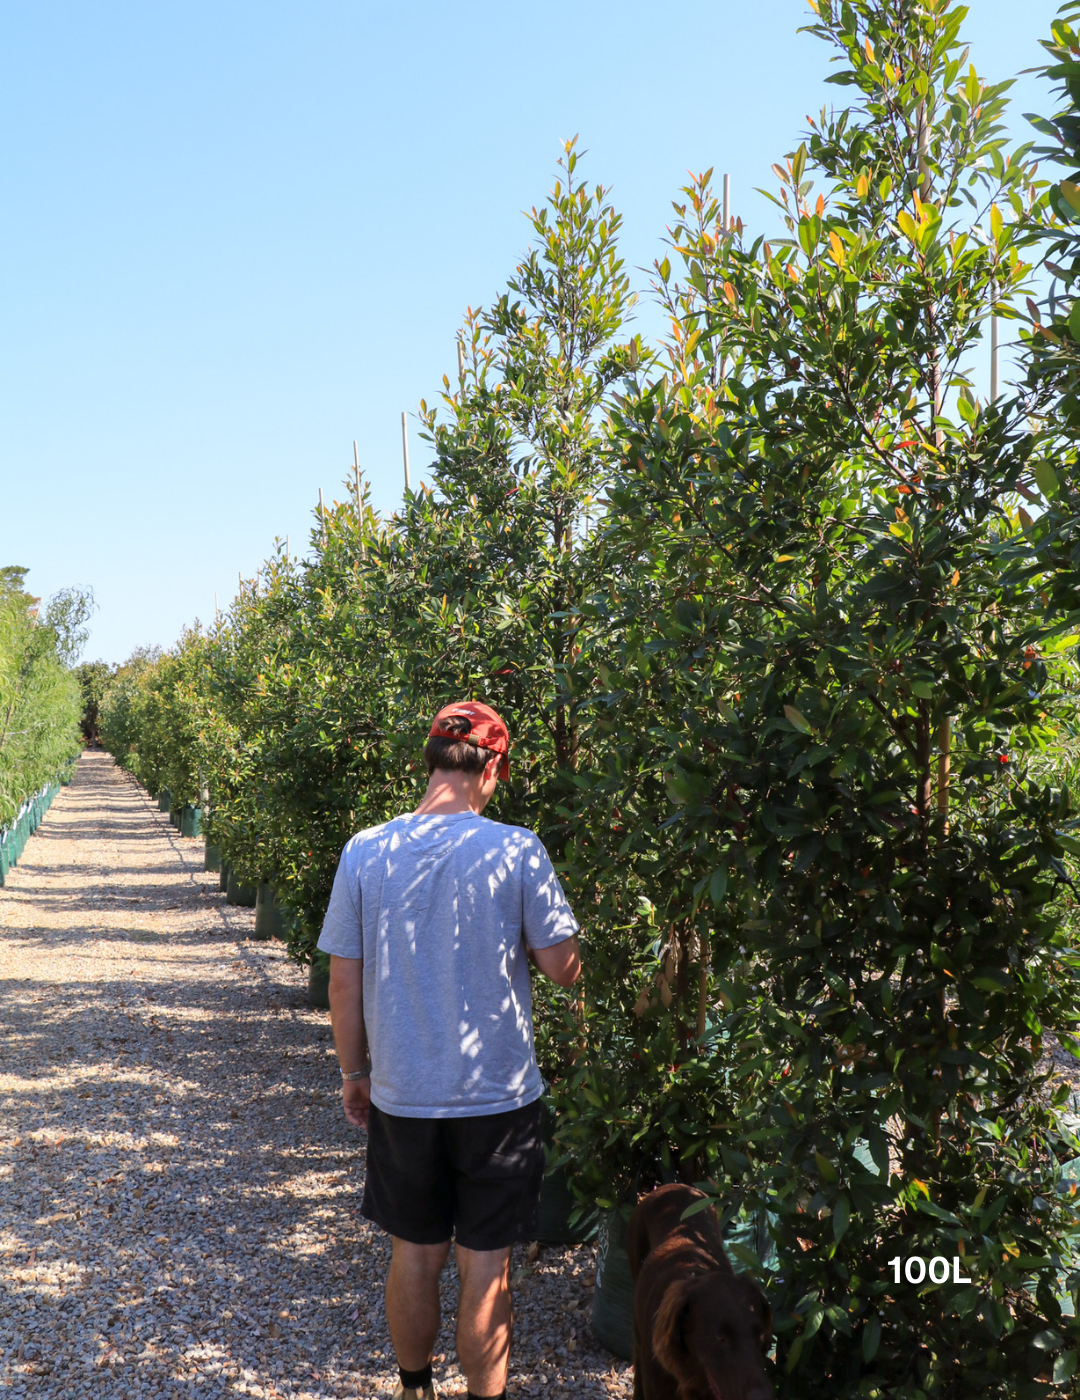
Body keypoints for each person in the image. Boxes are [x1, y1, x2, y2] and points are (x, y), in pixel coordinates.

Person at [317, 700, 582, 1400]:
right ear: (491, 769)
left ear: (430, 761)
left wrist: (355, 1072)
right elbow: (561, 968)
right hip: (498, 1099)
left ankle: (413, 1389)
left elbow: (343, 977)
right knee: (485, 1266)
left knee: (414, 1254)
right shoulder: (517, 849)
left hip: (402, 1093)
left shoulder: (366, 849)